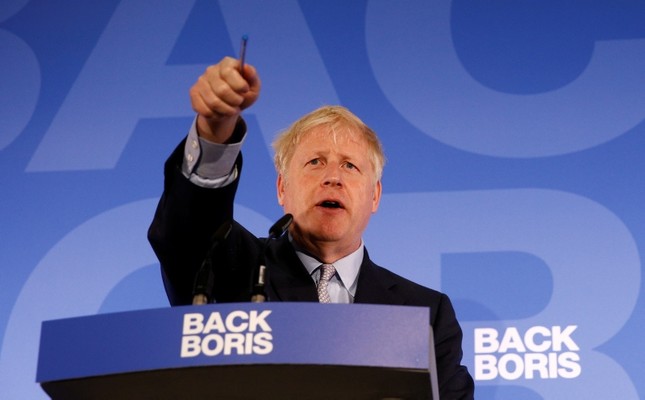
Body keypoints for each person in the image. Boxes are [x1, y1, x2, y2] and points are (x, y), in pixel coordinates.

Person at [148, 56, 475, 399]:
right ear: (282, 189)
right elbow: (185, 232)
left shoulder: (425, 312)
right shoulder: (237, 268)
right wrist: (215, 133)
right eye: (315, 162)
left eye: (350, 166)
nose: (333, 177)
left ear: (374, 196)